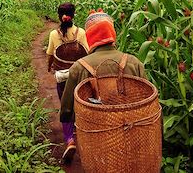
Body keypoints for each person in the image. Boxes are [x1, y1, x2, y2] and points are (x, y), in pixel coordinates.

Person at [59, 9, 147, 161]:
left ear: (90, 37)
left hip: (95, 136)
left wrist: (68, 122)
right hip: (131, 132)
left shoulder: (79, 67)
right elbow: (148, 101)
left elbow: (66, 109)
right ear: (113, 35)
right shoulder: (134, 63)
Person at [46, 2, 89, 163]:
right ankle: (82, 134)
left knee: (66, 107)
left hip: (63, 77)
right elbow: (87, 53)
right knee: (79, 103)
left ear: (59, 16)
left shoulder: (53, 34)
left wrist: (49, 67)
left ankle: (70, 139)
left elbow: (50, 54)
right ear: (73, 15)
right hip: (79, 76)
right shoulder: (81, 32)